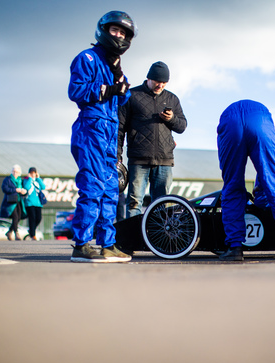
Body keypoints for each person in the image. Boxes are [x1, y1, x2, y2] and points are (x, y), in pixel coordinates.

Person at [68, 10, 137, 263]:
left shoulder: (114, 64)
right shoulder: (87, 58)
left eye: (123, 33)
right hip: (91, 128)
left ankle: (108, 244)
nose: (119, 36)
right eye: (115, 31)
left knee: (111, 189)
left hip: (110, 129)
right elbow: (75, 90)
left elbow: (125, 96)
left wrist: (119, 77)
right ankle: (82, 244)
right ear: (104, 30)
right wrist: (107, 89)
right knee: (92, 186)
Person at [217, 100, 275, 261]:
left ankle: (235, 248)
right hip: (260, 118)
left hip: (229, 119)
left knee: (232, 185)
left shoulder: (229, 113)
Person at [118, 61, 187, 218]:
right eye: (157, 81)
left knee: (162, 204)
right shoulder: (132, 96)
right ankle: (133, 241)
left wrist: (171, 119)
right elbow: (120, 129)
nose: (160, 85)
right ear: (149, 78)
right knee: (135, 202)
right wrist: (118, 155)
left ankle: (157, 241)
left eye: (164, 82)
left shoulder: (172, 99)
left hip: (164, 160)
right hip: (138, 159)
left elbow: (182, 126)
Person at [0, 165, 27, 240]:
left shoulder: (20, 180)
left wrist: (23, 192)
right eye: (14, 171)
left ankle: (9, 231)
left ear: (19, 173)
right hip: (10, 202)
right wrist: (15, 190)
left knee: (18, 217)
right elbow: (4, 189)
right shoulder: (7, 179)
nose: (15, 173)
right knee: (15, 216)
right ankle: (16, 233)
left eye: (17, 172)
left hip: (18, 201)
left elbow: (23, 190)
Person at [23, 167, 46, 240]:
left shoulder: (38, 181)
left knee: (38, 218)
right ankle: (33, 235)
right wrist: (30, 178)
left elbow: (43, 187)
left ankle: (31, 230)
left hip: (38, 203)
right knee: (32, 218)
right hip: (29, 203)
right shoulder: (26, 180)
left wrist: (38, 178)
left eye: (34, 173)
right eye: (31, 173)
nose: (33, 174)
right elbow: (26, 187)